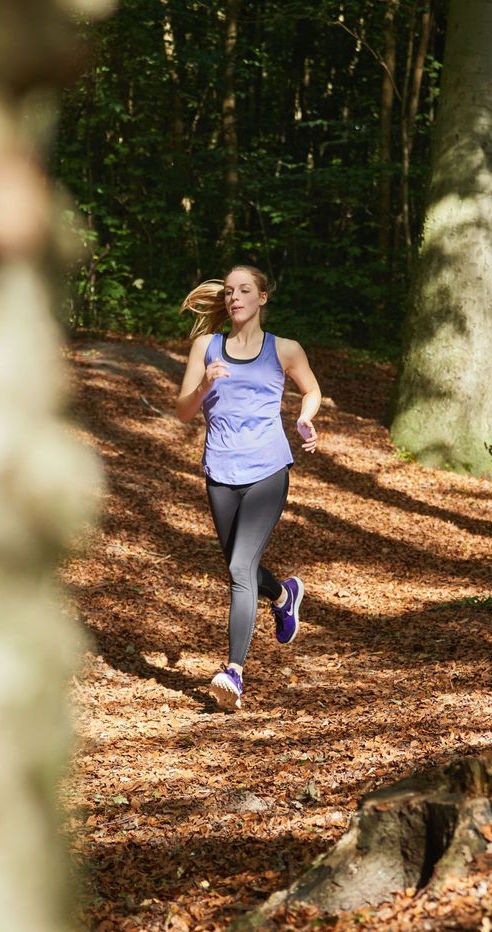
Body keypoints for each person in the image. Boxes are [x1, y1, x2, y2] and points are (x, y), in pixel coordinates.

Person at [176, 265, 321, 710]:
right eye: (230, 292)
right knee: (240, 568)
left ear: (262, 297)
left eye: (245, 291)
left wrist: (304, 418)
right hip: (220, 472)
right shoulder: (206, 347)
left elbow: (311, 391)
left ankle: (233, 673)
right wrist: (205, 383)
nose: (235, 298)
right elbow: (183, 411)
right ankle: (283, 594)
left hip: (267, 469)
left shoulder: (284, 349)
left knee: (239, 568)